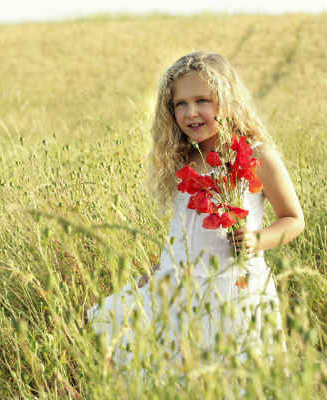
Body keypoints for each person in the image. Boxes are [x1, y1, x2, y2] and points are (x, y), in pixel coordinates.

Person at [87, 51, 305, 369]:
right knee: (118, 329)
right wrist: (154, 275)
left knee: (234, 373)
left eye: (203, 100)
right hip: (181, 288)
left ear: (227, 100)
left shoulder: (258, 156)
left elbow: (293, 220)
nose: (191, 112)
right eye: (180, 104)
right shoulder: (183, 160)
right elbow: (183, 234)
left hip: (235, 289)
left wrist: (258, 239)